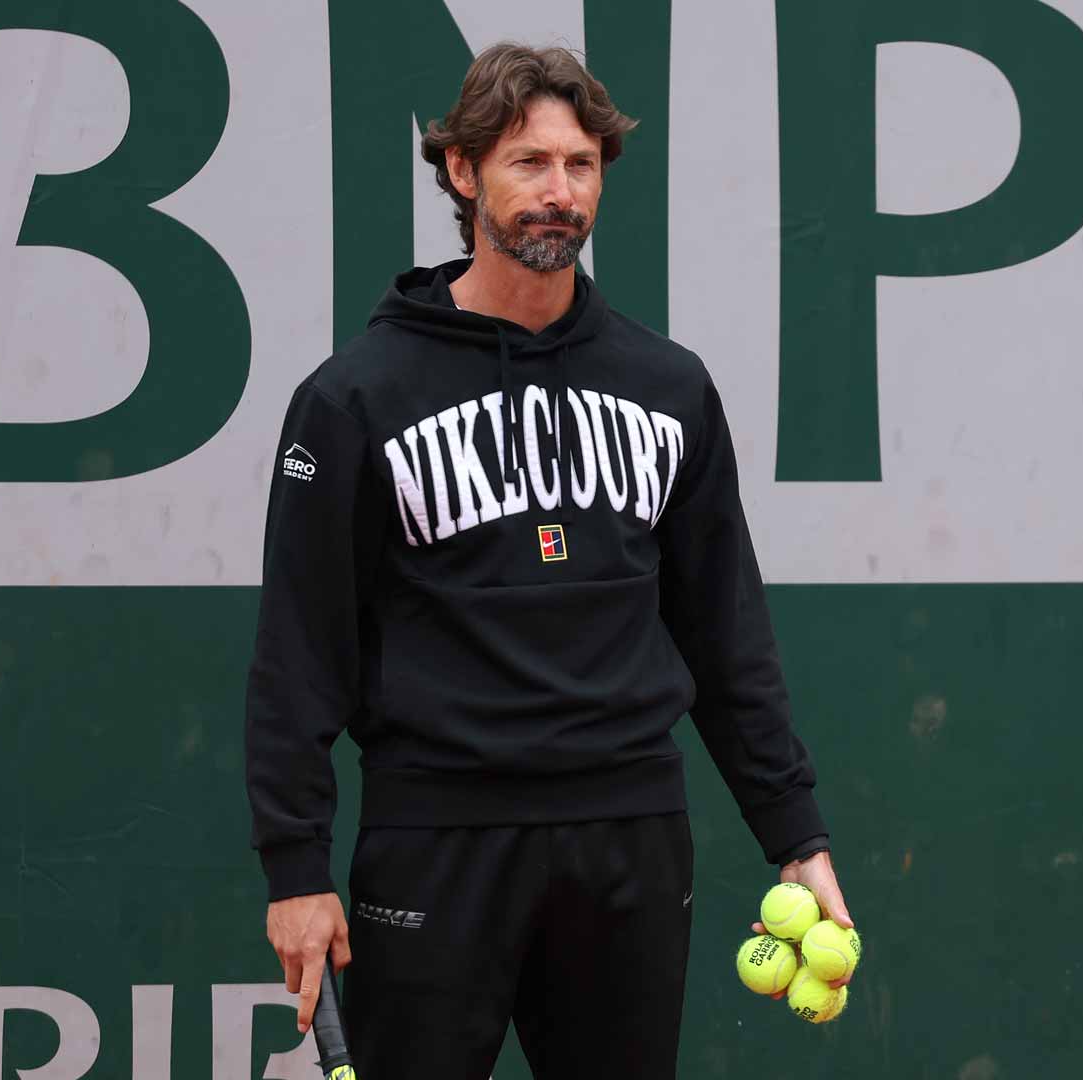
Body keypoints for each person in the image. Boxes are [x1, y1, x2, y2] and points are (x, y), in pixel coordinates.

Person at [244, 42, 852, 1078]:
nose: (559, 193)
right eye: (528, 163)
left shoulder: (669, 388)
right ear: (461, 172)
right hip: (438, 838)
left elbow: (725, 633)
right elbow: (301, 651)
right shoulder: (355, 399)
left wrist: (796, 836)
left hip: (630, 837)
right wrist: (295, 871)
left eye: (581, 165)